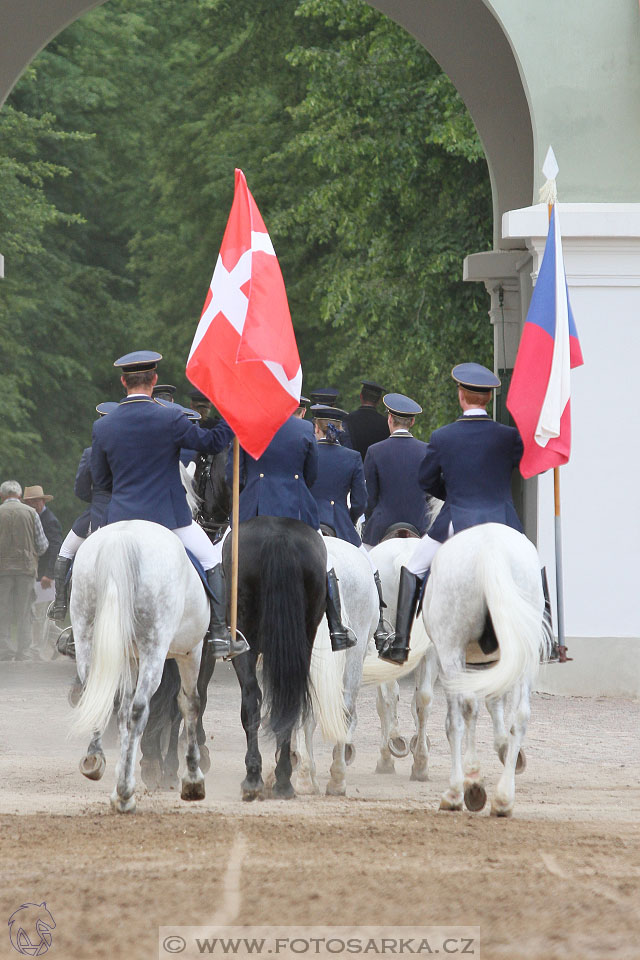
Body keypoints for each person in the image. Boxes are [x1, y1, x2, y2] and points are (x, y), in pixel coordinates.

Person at [90, 351, 246, 660]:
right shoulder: (170, 417)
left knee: (85, 562)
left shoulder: (103, 427)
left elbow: (101, 481)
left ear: (123, 382)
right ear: (154, 380)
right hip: (168, 517)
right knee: (211, 562)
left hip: (120, 517)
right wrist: (233, 416)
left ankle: (78, 629)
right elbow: (212, 443)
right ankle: (218, 633)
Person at [380, 363, 524, 665]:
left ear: (461, 395)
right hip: (503, 518)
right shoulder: (509, 436)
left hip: (457, 517)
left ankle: (401, 643)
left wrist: (455, 493)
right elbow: (520, 467)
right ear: (487, 398)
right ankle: (545, 638)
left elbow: (427, 481)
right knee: (531, 560)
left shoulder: (443, 436)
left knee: (416, 566)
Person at [228, 407, 354, 651]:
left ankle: (221, 628)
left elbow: (233, 477)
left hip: (254, 508)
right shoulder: (305, 428)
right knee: (324, 561)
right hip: (296, 510)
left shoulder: (244, 424)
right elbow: (311, 475)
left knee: (217, 557)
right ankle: (336, 626)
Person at [310, 404, 388, 646]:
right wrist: (348, 519)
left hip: (309, 524)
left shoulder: (307, 451)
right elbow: (360, 502)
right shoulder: (352, 457)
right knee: (372, 568)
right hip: (340, 525)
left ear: (316, 428)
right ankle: (382, 626)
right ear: (340, 429)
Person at [48, 402, 116, 627]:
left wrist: (95, 498)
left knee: (66, 551)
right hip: (127, 512)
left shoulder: (90, 453)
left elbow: (80, 489)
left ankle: (60, 605)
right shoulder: (126, 452)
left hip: (98, 512)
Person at [362, 393, 430, 548]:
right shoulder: (427, 451)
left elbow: (370, 499)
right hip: (421, 525)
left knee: (367, 567)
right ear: (412, 422)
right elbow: (431, 495)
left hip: (382, 526)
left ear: (390, 419)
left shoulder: (374, 451)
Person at [0, 480, 49, 661]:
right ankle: (24, 652)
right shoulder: (31, 513)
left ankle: (4, 650)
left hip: (2, 570)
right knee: (25, 610)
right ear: (19, 496)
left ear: (2, 496)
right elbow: (43, 545)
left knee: (2, 609)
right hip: (26, 569)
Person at [345, 379, 390, 460]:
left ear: (361, 396)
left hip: (353, 469)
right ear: (379, 401)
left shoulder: (347, 419)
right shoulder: (386, 424)